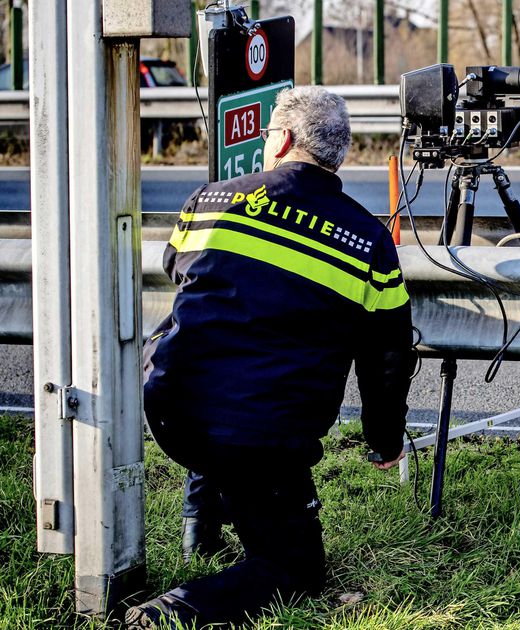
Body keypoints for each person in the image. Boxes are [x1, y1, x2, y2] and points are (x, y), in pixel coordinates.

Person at [127, 86, 416, 627]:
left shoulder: (208, 198)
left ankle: (201, 528)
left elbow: (176, 267)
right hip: (262, 440)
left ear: (281, 140)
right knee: (297, 568)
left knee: (219, 367)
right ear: (338, 153)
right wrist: (385, 440)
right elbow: (387, 357)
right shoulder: (368, 239)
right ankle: (175, 611)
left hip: (171, 410)